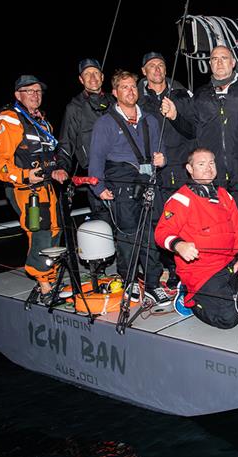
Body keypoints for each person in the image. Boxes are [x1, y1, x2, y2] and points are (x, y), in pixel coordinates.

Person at [160, 45, 238, 251]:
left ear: (233, 62)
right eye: (214, 59)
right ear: (209, 64)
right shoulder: (201, 94)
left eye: (224, 58)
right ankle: (224, 270)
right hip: (213, 173)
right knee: (218, 226)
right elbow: (191, 131)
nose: (219, 62)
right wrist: (175, 117)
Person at [88, 70, 170, 306]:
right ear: (115, 92)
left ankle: (153, 284)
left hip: (149, 181)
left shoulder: (150, 120)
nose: (130, 91)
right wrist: (98, 187)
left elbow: (161, 150)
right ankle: (131, 279)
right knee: (128, 234)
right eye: (124, 87)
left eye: (133, 86)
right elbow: (96, 157)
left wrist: (162, 160)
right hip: (121, 183)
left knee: (152, 233)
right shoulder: (105, 123)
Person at [0, 75, 65, 304]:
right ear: (17, 95)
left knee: (55, 231)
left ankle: (49, 276)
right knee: (39, 233)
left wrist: (56, 171)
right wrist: (24, 176)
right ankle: (44, 286)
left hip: (47, 187)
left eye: (38, 91)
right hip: (27, 191)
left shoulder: (41, 121)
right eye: (29, 91)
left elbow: (47, 156)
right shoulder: (8, 120)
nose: (35, 94)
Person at [154, 148, 238, 328]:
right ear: (190, 169)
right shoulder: (180, 200)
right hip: (202, 272)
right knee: (229, 319)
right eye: (201, 164)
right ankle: (187, 294)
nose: (208, 168)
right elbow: (161, 233)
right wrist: (179, 245)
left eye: (211, 163)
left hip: (230, 265)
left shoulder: (224, 195)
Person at [53, 58, 115, 222]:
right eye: (87, 74)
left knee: (128, 223)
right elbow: (66, 142)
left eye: (95, 72)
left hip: (122, 172)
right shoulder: (74, 107)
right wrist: (62, 167)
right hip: (96, 175)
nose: (92, 77)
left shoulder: (114, 100)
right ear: (81, 80)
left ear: (102, 76)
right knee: (105, 223)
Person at [136, 51, 195, 192]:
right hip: (148, 170)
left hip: (179, 168)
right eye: (152, 66)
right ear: (144, 71)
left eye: (160, 65)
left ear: (165, 69)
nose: (157, 69)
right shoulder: (136, 101)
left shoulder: (183, 95)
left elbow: (194, 132)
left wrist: (175, 117)